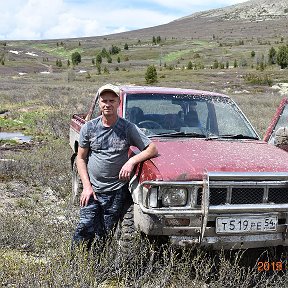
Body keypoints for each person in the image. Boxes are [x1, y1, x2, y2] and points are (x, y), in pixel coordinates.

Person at [72, 83, 158, 250]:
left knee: (104, 233)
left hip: (116, 191)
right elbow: (80, 158)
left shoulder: (127, 128)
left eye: (112, 100)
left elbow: (152, 148)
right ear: (99, 103)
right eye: (104, 100)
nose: (107, 104)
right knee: (83, 229)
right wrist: (87, 187)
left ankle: (97, 266)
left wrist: (131, 161)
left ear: (118, 103)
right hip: (93, 190)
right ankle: (76, 266)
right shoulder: (89, 128)